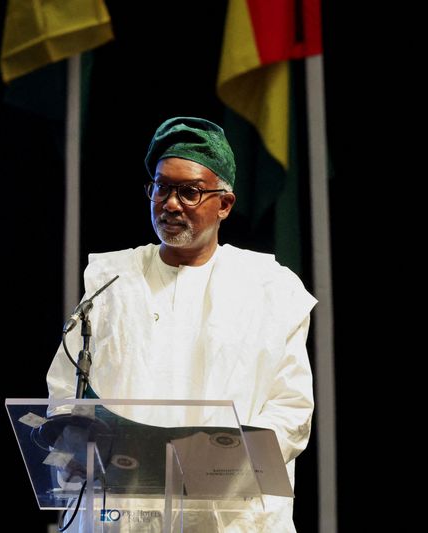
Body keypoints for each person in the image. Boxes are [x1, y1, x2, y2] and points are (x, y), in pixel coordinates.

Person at [46, 116, 317, 531]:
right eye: (162, 187)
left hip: (228, 516)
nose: (171, 203)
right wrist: (77, 443)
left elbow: (291, 408)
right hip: (123, 516)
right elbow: (68, 391)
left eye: (189, 192)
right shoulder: (111, 283)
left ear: (224, 204)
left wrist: (221, 464)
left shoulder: (270, 288)